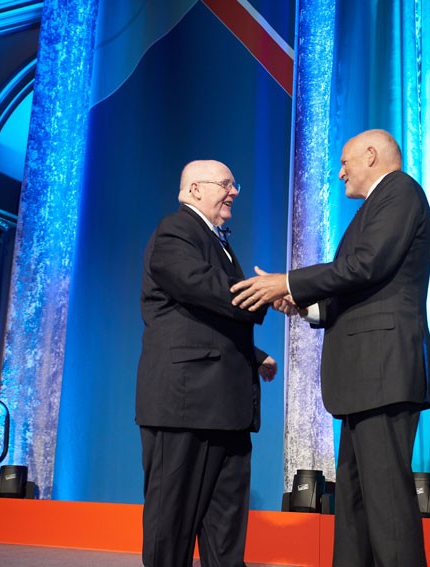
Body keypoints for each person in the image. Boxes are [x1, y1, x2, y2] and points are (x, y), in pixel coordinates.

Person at [231, 129, 430, 567]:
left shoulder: (400, 191)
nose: (340, 171)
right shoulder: (376, 206)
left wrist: (287, 281)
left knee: (386, 505)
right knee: (355, 503)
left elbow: (366, 265)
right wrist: (303, 305)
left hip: (385, 369)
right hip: (368, 375)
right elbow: (364, 283)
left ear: (371, 155)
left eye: (345, 161)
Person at [136, 160, 276, 567]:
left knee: (226, 529)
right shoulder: (175, 229)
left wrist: (253, 355)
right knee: (172, 528)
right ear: (195, 189)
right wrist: (266, 293)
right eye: (227, 184)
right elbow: (198, 286)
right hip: (184, 404)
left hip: (225, 408)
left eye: (236, 184)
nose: (234, 192)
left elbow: (201, 319)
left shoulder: (218, 239)